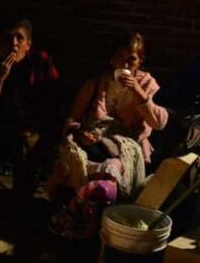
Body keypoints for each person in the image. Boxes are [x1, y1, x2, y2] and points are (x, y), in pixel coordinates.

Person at [51, 32, 168, 200]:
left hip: (126, 149)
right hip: (95, 143)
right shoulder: (96, 83)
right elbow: (72, 119)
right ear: (112, 59)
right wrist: (79, 133)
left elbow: (160, 123)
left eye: (132, 59)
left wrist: (139, 93)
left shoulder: (146, 84)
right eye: (120, 56)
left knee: (111, 170)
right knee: (69, 164)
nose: (125, 63)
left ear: (140, 62)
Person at [0, 17, 61, 200]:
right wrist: (0, 79)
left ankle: (21, 198)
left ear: (28, 44)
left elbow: (53, 97)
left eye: (19, 39)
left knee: (26, 149)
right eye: (10, 39)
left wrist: (36, 126)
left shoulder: (40, 63)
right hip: (4, 124)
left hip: (33, 125)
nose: (14, 44)